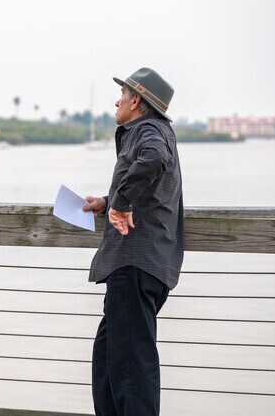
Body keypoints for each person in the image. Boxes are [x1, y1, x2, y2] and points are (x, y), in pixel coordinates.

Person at [82, 67, 183, 416]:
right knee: (109, 361)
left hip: (135, 263)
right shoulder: (152, 131)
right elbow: (151, 191)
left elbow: (153, 160)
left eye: (122, 95)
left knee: (131, 369)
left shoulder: (148, 130)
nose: (117, 101)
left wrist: (121, 202)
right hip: (142, 263)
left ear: (136, 100)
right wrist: (109, 203)